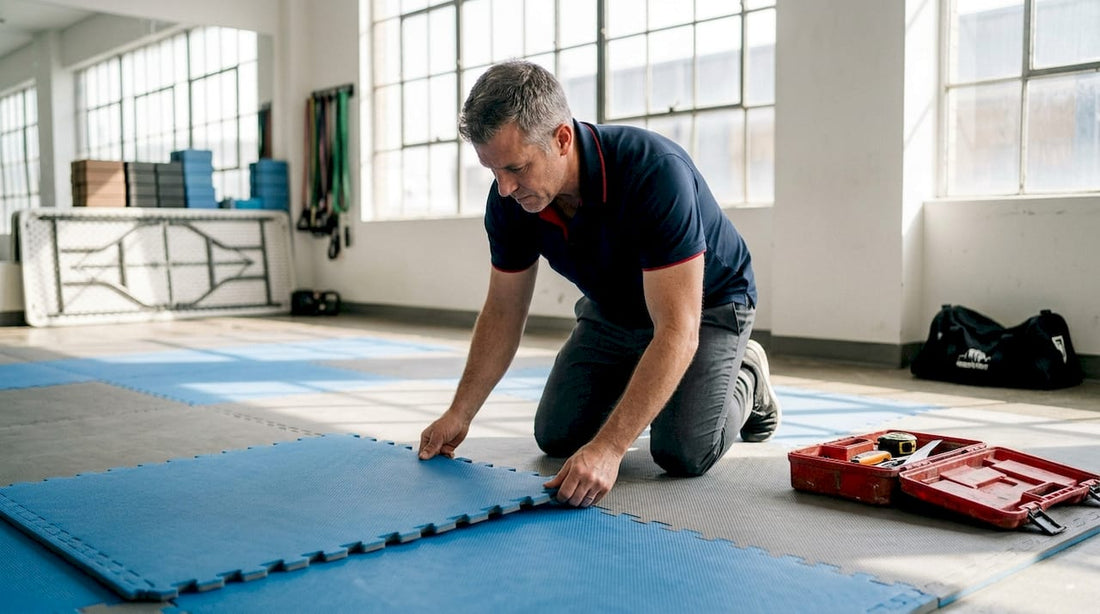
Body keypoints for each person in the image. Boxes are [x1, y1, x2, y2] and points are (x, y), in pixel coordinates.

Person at [418, 60, 780, 509]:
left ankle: (747, 373)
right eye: (493, 171)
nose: (505, 188)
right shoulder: (510, 200)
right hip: (616, 307)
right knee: (557, 435)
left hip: (708, 306)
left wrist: (610, 449)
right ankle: (646, 372)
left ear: (562, 139)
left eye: (516, 168)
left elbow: (677, 330)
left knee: (683, 450)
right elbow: (503, 311)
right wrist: (460, 412)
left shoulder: (652, 172)